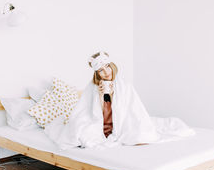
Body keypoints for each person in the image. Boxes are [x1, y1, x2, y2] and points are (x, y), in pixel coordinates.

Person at [44, 51, 195, 150]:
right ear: (97, 73)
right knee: (83, 136)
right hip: (100, 122)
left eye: (107, 67)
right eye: (101, 70)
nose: (106, 72)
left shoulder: (123, 85)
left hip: (120, 122)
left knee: (142, 136)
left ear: (112, 66)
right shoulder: (92, 87)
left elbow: (132, 108)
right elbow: (91, 112)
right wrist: (102, 96)